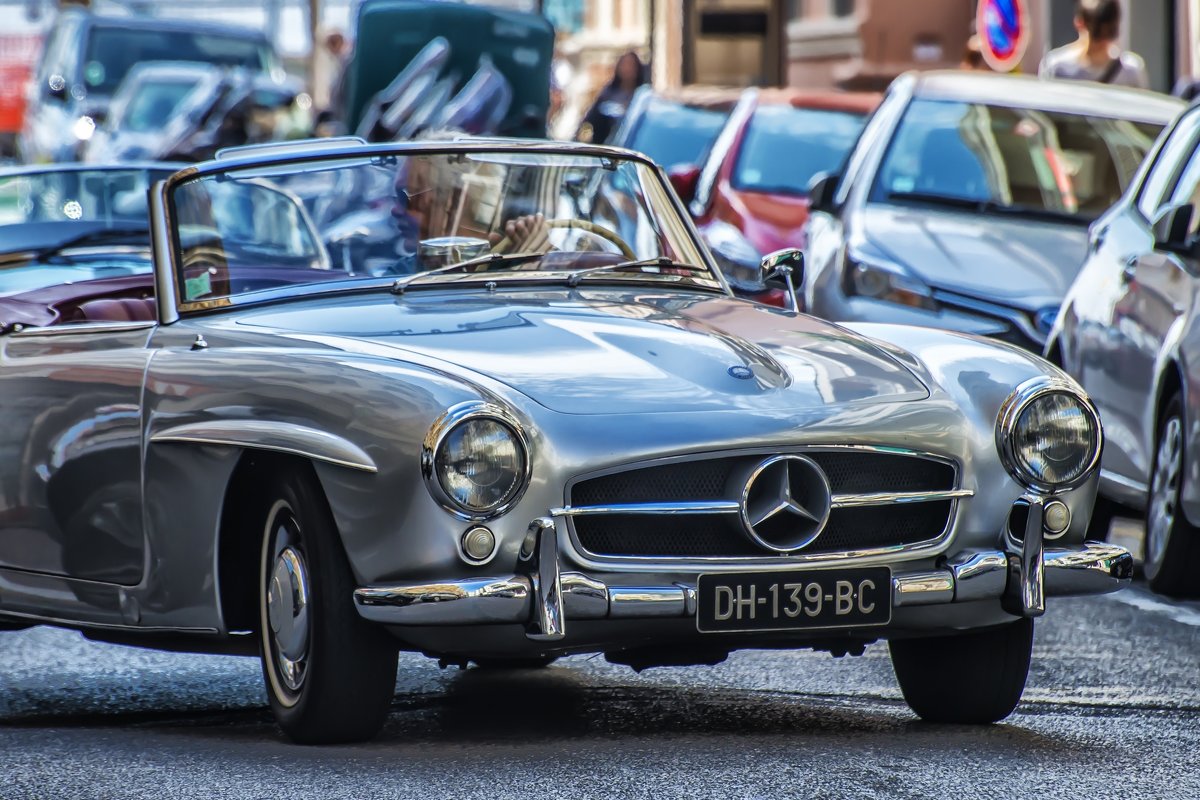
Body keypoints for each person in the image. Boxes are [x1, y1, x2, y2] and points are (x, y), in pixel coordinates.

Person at [1038, 0, 1148, 89]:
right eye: (1097, 34)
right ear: (1079, 23)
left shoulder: (1130, 70)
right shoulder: (1056, 66)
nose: (1103, 42)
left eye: (1109, 33)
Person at [576, 50, 647, 145]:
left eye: (631, 65)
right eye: (625, 64)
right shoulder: (608, 94)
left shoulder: (642, 96)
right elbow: (590, 120)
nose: (628, 69)